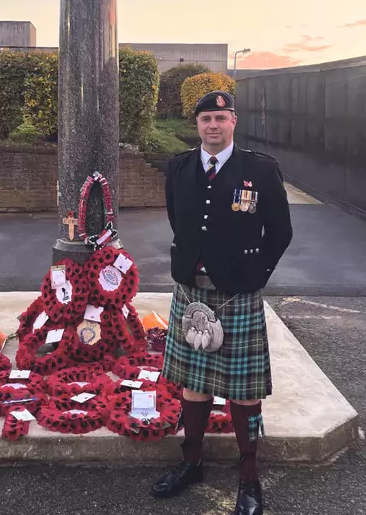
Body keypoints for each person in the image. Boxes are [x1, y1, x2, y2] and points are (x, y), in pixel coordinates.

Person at [152, 90, 293, 515]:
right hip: (192, 290)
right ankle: (191, 462)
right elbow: (178, 219)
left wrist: (255, 277)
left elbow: (280, 232)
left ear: (234, 122)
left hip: (239, 292)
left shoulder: (261, 169)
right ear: (197, 125)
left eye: (220, 117)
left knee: (245, 392)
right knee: (193, 385)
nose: (212, 125)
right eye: (205, 119)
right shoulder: (178, 167)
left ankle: (249, 476)